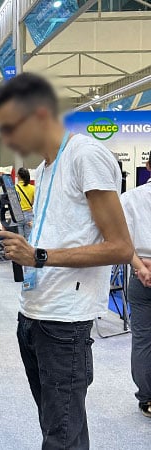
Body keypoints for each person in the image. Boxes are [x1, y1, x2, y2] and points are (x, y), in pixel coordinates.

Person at [0, 72, 133, 449]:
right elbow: (59, 235)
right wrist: (4, 243)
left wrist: (38, 255)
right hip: (34, 314)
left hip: (65, 321)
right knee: (62, 428)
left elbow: (121, 247)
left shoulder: (86, 156)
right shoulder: (44, 170)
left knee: (60, 435)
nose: (9, 138)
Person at [120, 159, 151, 417]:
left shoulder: (129, 198)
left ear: (148, 165)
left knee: (142, 340)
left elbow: (121, 242)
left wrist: (140, 266)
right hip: (143, 272)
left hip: (141, 275)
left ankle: (147, 399)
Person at [16, 167, 35, 239]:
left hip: (18, 214)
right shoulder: (33, 188)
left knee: (20, 239)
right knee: (29, 239)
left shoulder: (14, 188)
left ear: (19, 176)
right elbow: (33, 202)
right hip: (29, 214)